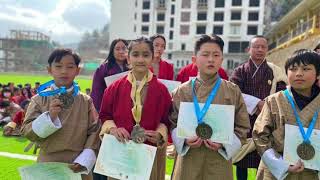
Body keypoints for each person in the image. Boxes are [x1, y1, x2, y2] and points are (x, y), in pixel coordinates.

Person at [170, 34, 251, 180]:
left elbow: (243, 126)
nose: (211, 59)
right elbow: (171, 123)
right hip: (188, 158)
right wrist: (184, 141)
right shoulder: (182, 91)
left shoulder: (232, 91)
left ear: (222, 59)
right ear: (194, 59)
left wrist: (224, 144)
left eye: (216, 55)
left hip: (218, 160)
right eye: (205, 54)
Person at [21, 48, 101, 180]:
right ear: (49, 70)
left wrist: (85, 159)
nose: (64, 71)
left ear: (77, 70)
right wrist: (49, 117)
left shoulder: (86, 100)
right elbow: (27, 131)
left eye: (70, 67)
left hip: (78, 164)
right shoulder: (39, 99)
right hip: (48, 163)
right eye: (58, 66)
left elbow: (94, 131)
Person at [99, 37, 172, 180]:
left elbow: (166, 120)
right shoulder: (114, 88)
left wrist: (159, 135)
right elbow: (105, 116)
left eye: (146, 55)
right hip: (121, 151)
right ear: (128, 58)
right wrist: (113, 129)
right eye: (136, 54)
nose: (140, 60)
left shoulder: (161, 90)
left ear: (152, 58)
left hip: (149, 152)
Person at [252, 49, 320, 179]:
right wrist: (280, 164)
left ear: (318, 73)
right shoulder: (274, 100)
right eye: (293, 69)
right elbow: (260, 136)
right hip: (275, 170)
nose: (298, 74)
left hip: (310, 170)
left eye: (306, 69)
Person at [230, 35, 287, 180]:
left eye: (263, 47)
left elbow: (282, 92)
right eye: (256, 47)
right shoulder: (240, 71)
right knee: (242, 161)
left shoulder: (274, 71)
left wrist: (267, 105)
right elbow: (233, 92)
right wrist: (257, 103)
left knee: (262, 158)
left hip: (267, 120)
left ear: (267, 49)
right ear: (249, 49)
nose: (260, 50)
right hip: (244, 120)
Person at [91, 39, 129, 111]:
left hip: (128, 109)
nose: (121, 51)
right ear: (112, 51)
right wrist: (98, 110)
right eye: (117, 49)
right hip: (108, 109)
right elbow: (97, 92)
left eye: (124, 48)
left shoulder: (132, 68)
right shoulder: (102, 69)